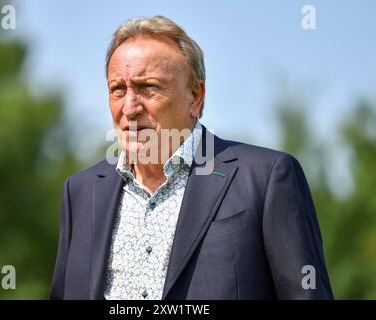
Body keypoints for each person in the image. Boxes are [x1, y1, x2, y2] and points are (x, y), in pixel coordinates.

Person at [50, 15, 333, 300]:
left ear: (195, 96)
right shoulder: (80, 192)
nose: (130, 107)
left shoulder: (266, 177)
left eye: (148, 87)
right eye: (118, 90)